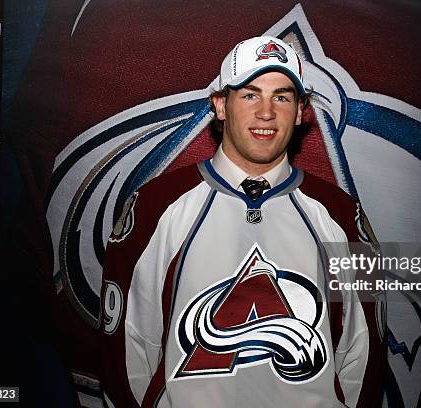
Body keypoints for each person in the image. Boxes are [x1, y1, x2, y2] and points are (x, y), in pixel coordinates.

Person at [99, 36, 386, 408]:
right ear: (220, 105)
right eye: (250, 94)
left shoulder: (342, 217)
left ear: (301, 111)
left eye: (282, 97)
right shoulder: (157, 207)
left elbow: (361, 354)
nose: (266, 113)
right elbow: (129, 348)